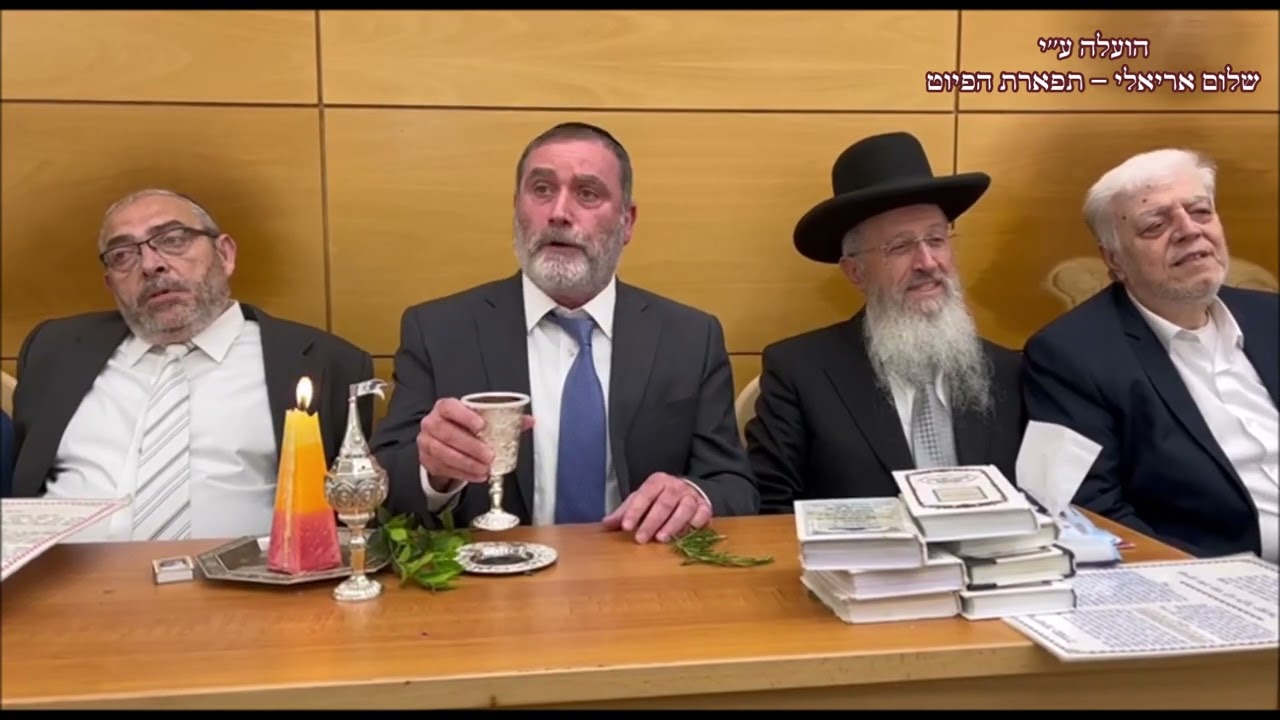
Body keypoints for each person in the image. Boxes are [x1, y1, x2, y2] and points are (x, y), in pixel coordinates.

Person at [371, 121, 759, 543]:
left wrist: (692, 495)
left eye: (587, 193)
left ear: (627, 222)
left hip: (641, 571)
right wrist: (434, 473)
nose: (559, 212)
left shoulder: (690, 338)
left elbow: (735, 487)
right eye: (541, 189)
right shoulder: (439, 331)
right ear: (516, 208)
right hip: (488, 575)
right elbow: (382, 492)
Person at [10, 189, 375, 541]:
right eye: (122, 255)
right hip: (59, 579)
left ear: (225, 255)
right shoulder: (53, 351)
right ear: (111, 284)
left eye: (173, 240)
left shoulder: (325, 363)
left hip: (240, 579)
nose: (150, 265)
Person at [744, 132, 1026, 513]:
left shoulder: (1010, 372)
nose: (928, 262)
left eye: (936, 240)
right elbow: (769, 509)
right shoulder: (800, 374)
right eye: (900, 247)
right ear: (855, 272)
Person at [1023, 148, 1278, 562]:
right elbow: (1091, 514)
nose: (1189, 230)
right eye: (1156, 225)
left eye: (1201, 211)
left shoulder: (1272, 317)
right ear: (1114, 260)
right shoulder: (1070, 356)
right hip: (1218, 581)